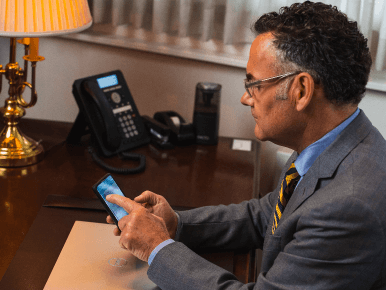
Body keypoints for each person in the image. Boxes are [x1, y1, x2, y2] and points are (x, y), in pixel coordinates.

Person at [106, 1, 386, 289]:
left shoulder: (348, 208)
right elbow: (267, 215)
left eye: (255, 84)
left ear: (301, 90)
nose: (246, 98)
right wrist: (176, 224)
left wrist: (157, 248)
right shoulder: (333, 143)